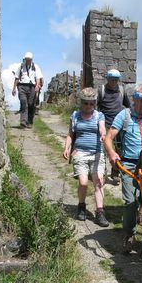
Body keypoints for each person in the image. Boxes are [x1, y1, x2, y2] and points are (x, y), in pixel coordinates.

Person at [104, 83, 142, 253]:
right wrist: (112, 154)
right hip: (129, 165)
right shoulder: (125, 115)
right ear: (135, 100)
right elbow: (109, 138)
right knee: (131, 202)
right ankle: (129, 235)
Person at [62, 88, 109, 227]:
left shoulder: (99, 116)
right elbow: (70, 134)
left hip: (97, 153)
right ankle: (81, 206)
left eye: (91, 103)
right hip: (80, 153)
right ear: (81, 102)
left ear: (94, 104)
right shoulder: (75, 116)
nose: (88, 106)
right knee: (83, 182)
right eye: (85, 103)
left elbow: (102, 128)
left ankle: (100, 212)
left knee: (99, 181)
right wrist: (66, 148)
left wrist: (103, 135)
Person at [97, 69, 131, 184]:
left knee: (119, 149)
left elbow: (128, 106)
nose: (113, 82)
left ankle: (115, 173)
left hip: (119, 125)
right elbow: (96, 106)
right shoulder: (101, 90)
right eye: (112, 79)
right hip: (105, 123)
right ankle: (102, 172)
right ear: (107, 79)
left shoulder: (121, 90)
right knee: (104, 149)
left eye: (116, 80)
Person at [11, 52, 43, 129]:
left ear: (31, 60)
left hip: (32, 86)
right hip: (22, 86)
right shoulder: (21, 66)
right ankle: (23, 121)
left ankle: (29, 120)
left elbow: (38, 77)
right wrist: (14, 88)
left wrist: (37, 86)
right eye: (26, 59)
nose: (28, 61)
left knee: (31, 104)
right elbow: (17, 78)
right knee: (23, 102)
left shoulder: (36, 67)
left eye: (29, 60)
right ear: (24, 59)